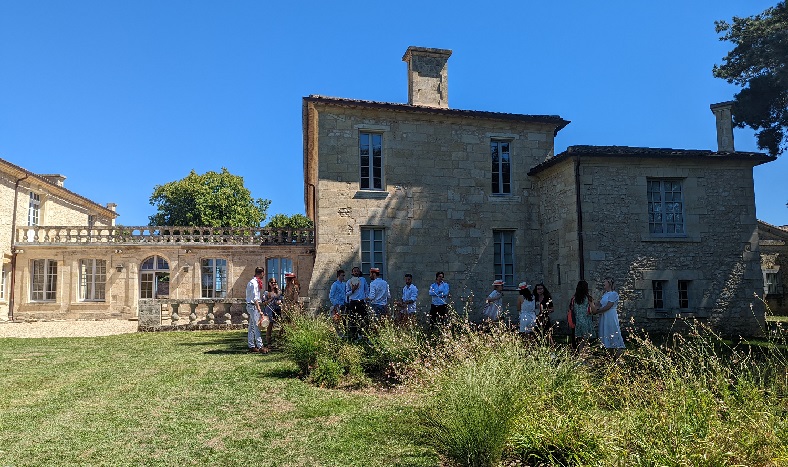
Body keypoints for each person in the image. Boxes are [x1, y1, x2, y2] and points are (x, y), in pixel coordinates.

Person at [595, 278, 625, 356]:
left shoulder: (613, 294)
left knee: (612, 331)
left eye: (605, 282)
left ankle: (618, 354)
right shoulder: (605, 294)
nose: (603, 283)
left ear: (609, 283)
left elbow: (608, 306)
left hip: (610, 316)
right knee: (606, 332)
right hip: (604, 316)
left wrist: (597, 311)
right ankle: (610, 355)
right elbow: (600, 304)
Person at [568, 280, 596, 355]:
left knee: (580, 342)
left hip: (577, 322)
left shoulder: (574, 298)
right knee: (586, 342)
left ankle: (581, 359)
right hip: (586, 321)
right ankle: (586, 359)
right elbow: (594, 310)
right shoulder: (588, 298)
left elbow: (572, 309)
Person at [245, 266, 267, 353]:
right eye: (263, 273)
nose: (264, 275)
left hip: (251, 306)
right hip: (253, 306)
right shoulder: (254, 283)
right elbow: (255, 299)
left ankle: (251, 345)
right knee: (257, 326)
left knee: (251, 327)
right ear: (261, 273)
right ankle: (260, 346)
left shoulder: (253, 282)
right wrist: (259, 310)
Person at [345, 266, 369, 341]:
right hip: (353, 302)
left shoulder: (363, 280)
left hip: (361, 301)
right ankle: (354, 336)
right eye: (354, 271)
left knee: (363, 319)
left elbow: (366, 290)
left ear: (359, 272)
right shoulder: (349, 281)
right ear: (352, 272)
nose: (356, 272)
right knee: (353, 319)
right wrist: (352, 290)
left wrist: (366, 300)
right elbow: (347, 293)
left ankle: (363, 335)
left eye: (357, 271)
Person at [262, 277, 281, 347]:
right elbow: (263, 303)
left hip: (277, 310)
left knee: (281, 325)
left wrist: (279, 301)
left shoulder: (278, 292)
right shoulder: (266, 292)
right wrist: (270, 300)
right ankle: (269, 343)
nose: (273, 284)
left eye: (275, 283)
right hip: (269, 311)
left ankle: (279, 340)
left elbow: (280, 299)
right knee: (269, 327)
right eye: (272, 283)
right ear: (269, 283)